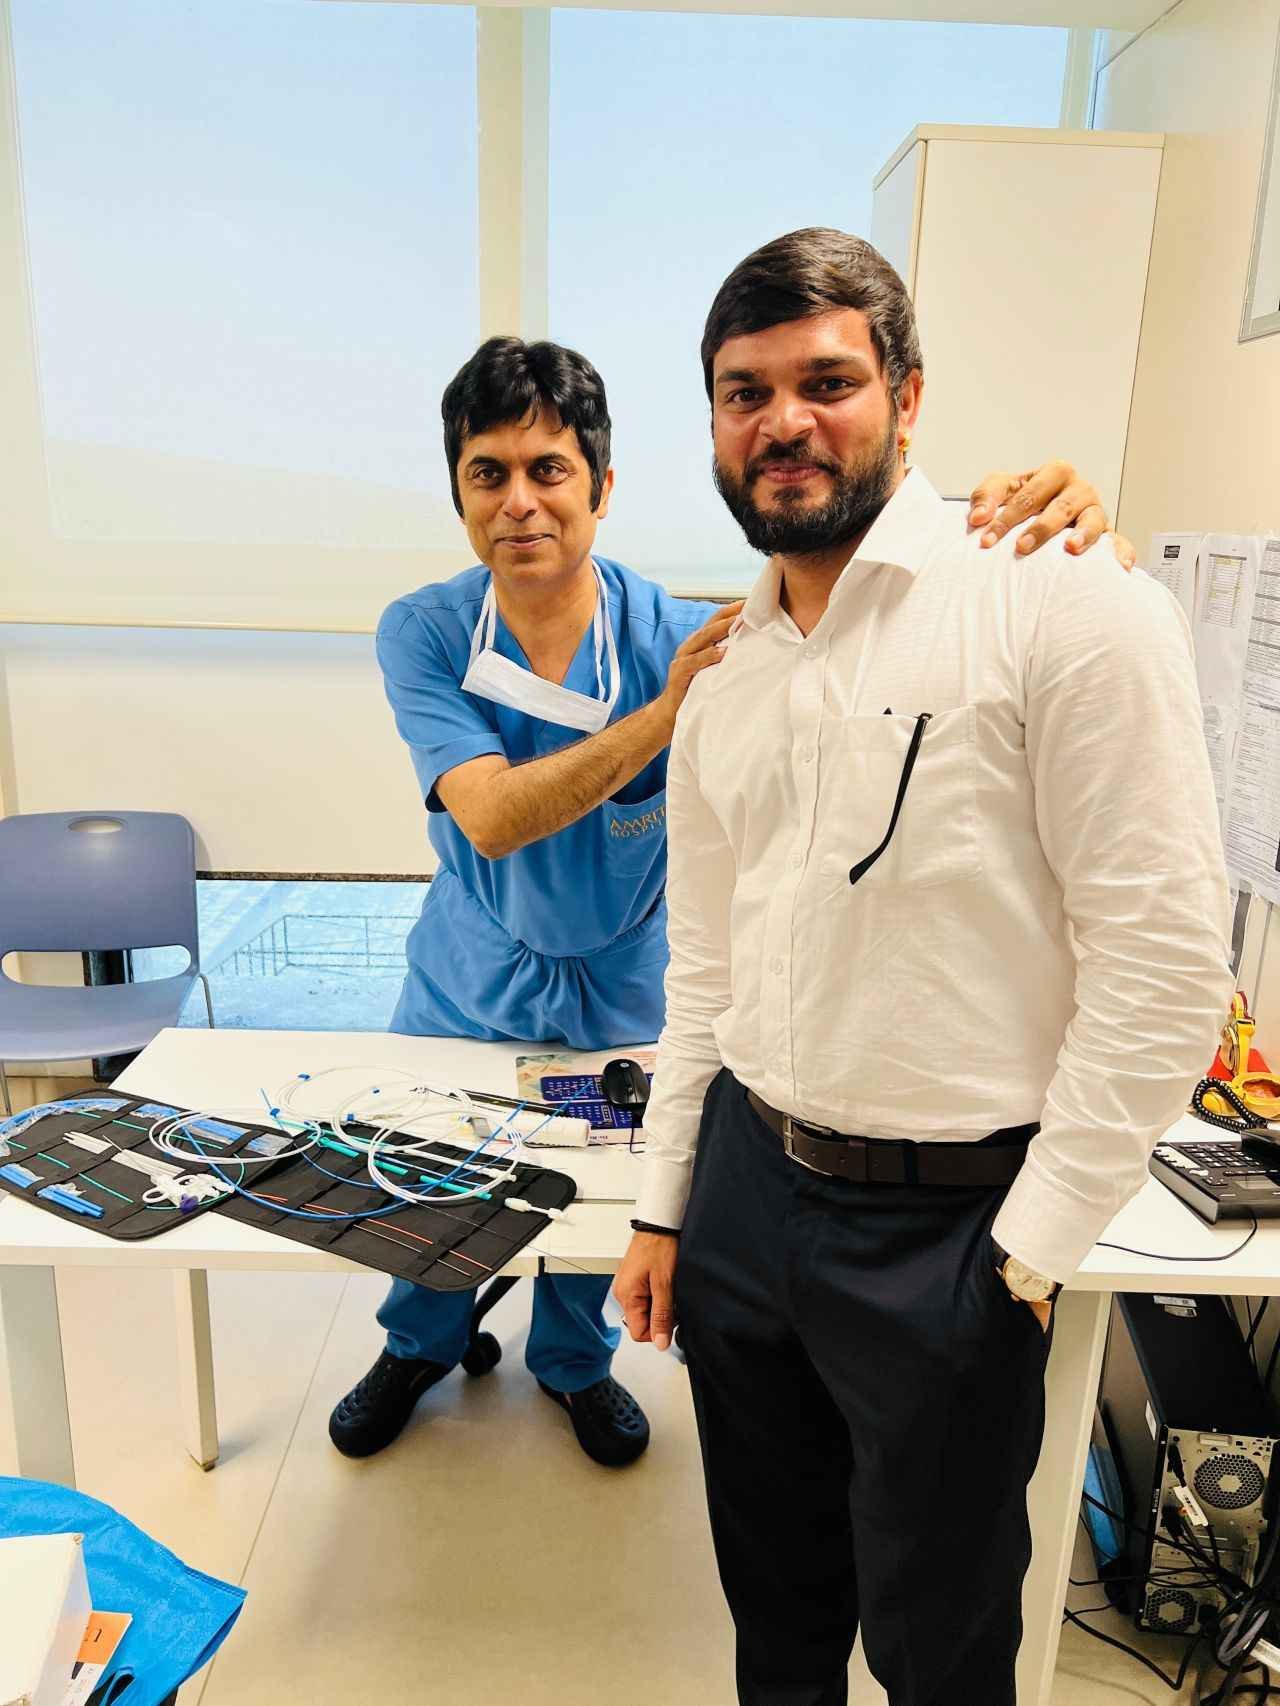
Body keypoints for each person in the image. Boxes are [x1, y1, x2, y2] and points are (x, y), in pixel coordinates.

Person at [329, 332, 1133, 1471]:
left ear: (602, 486)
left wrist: (1052, 535)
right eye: (487, 473)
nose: (519, 502)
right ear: (457, 493)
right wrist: (663, 717)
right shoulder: (424, 630)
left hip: (627, 970)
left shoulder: (684, 632)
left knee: (606, 1188)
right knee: (430, 1176)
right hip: (476, 961)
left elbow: (856, 598)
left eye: (549, 469)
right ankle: (418, 1341)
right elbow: (495, 819)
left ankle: (572, 1361)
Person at [613, 228, 1231, 1704]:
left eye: (825, 381)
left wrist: (1030, 1248)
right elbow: (704, 969)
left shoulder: (1060, 598)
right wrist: (664, 1204)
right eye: (744, 392)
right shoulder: (727, 673)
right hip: (748, 1197)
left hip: (949, 1229)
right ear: (713, 425)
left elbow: (1162, 960)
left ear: (906, 394)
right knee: (775, 1611)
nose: (783, 422)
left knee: (940, 1644)